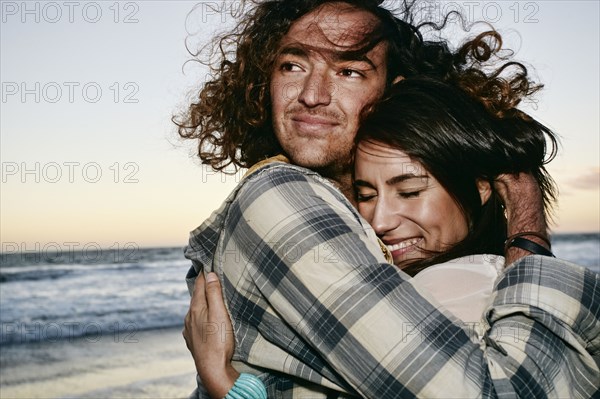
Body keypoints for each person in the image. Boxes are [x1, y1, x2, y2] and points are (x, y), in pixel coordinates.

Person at [176, 1, 600, 397]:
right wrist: (527, 229)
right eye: (292, 65)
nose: (312, 94)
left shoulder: (387, 239)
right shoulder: (282, 195)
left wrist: (231, 388)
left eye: (349, 72)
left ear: (390, 91)